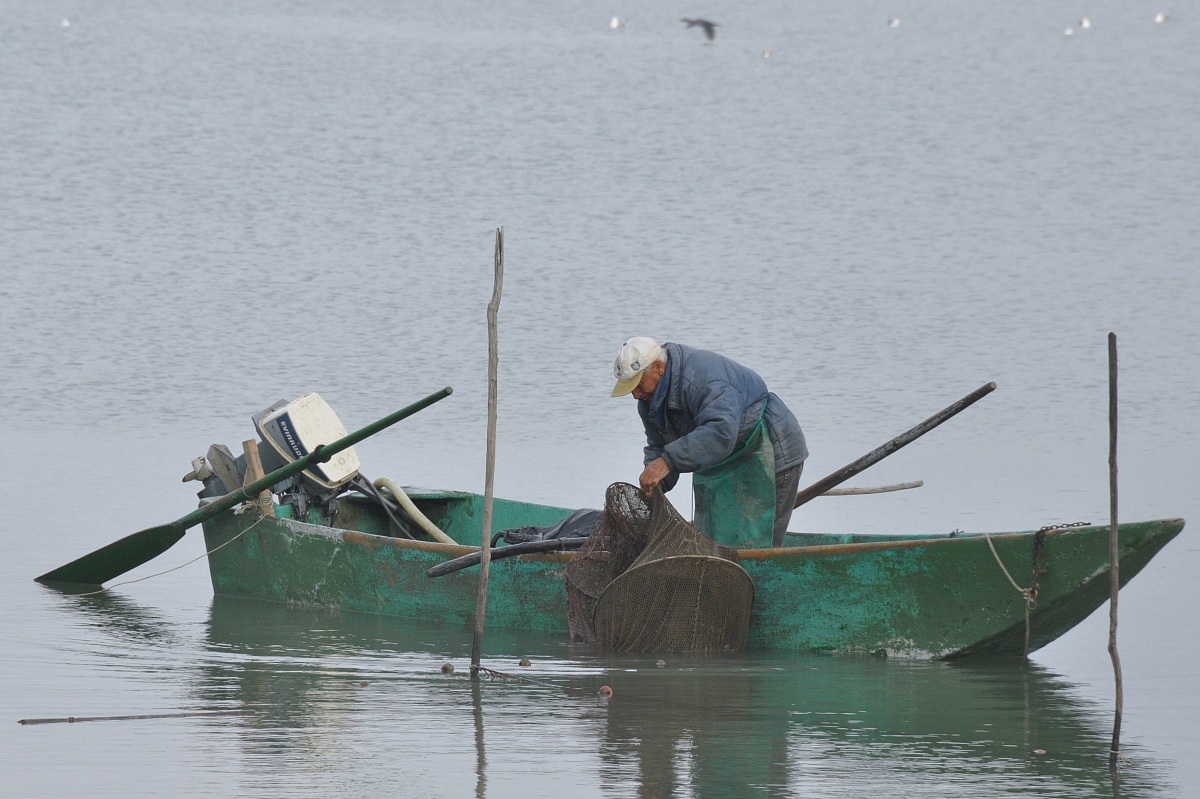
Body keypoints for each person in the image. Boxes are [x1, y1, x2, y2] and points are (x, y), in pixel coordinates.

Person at [611, 337, 808, 548]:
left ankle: (763, 579)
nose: (635, 394)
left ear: (658, 367)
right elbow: (658, 444)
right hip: (727, 459)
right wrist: (656, 483)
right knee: (718, 543)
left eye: (638, 385)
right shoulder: (647, 400)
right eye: (630, 388)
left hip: (769, 451)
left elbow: (721, 431)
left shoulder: (704, 380)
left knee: (759, 544)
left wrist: (667, 462)